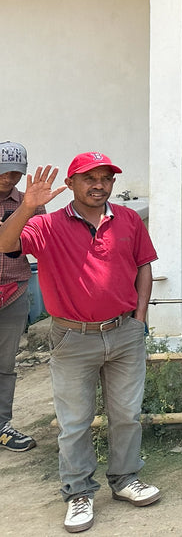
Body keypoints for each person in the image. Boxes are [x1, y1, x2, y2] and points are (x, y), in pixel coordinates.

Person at [0, 154, 160, 534]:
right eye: (89, 178)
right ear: (71, 184)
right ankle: (78, 492)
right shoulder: (47, 224)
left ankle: (124, 479)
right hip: (72, 337)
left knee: (126, 415)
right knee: (74, 423)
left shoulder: (129, 219)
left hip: (124, 333)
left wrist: (139, 320)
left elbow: (144, 266)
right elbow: (6, 243)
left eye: (105, 178)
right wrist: (26, 207)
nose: (99, 185)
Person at [0, 142, 42, 453]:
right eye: (3, 170)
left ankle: (2, 426)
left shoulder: (30, 201)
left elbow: (42, 239)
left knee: (5, 363)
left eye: (16, 171)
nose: (9, 177)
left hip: (12, 289)